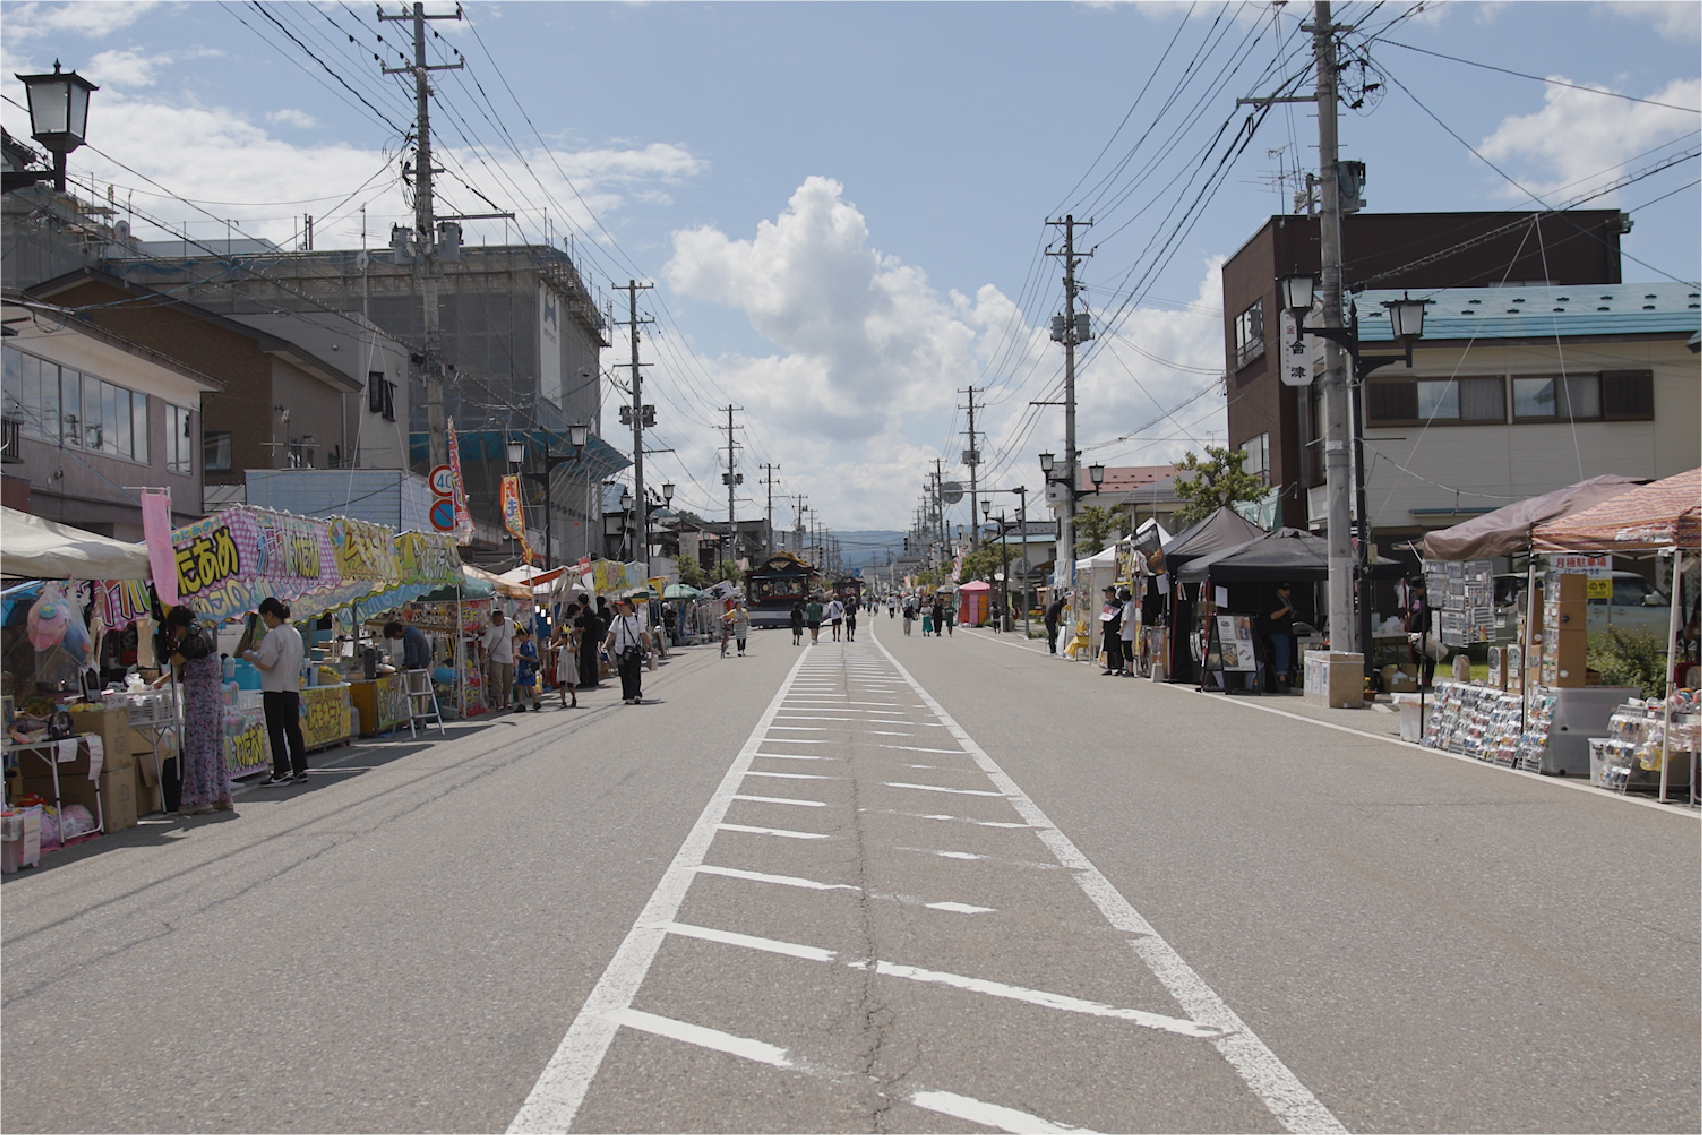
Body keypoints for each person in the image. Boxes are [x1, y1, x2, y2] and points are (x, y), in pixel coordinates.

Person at [162, 606, 232, 814]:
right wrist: (163, 680)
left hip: (200, 702)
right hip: (213, 700)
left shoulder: (193, 639)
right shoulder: (203, 635)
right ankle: (221, 796)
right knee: (213, 748)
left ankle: (201, 799)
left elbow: (176, 660)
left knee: (198, 749)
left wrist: (172, 646)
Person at [243, 597, 308, 785]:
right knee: (293, 729)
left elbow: (265, 662)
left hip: (275, 689)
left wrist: (251, 657)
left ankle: (281, 770)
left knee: (276, 730)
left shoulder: (274, 635)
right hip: (292, 687)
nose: (264, 622)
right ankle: (300, 768)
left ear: (270, 615)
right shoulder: (295, 633)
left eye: (264, 618)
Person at [604, 598, 651, 704]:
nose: (620, 608)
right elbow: (612, 634)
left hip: (634, 650)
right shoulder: (617, 619)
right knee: (624, 673)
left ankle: (636, 694)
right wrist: (605, 644)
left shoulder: (637, 619)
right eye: (619, 606)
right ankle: (627, 695)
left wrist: (649, 646)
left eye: (622, 606)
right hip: (620, 651)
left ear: (629, 606)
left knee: (634, 672)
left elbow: (643, 634)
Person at [484, 609, 515, 711]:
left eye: (500, 619)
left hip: (508, 657)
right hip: (496, 657)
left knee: (508, 679)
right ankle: (499, 703)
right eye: (496, 620)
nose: (498, 622)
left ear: (503, 618)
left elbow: (513, 637)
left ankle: (507, 702)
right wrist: (482, 656)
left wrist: (513, 652)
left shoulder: (509, 622)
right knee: (497, 679)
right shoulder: (491, 628)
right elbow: (485, 644)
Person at [1406, 579, 1434, 690]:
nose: (1417, 591)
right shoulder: (1412, 596)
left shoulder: (1429, 598)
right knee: (1415, 656)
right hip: (1414, 630)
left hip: (1427, 630)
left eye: (1418, 589)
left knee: (1429, 655)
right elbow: (1410, 610)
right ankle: (1414, 678)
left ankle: (1427, 679)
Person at [551, 616, 578, 708]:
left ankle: (573, 698)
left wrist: (569, 641)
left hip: (569, 667)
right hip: (562, 667)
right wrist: (558, 642)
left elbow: (571, 649)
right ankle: (563, 701)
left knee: (570, 685)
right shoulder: (561, 648)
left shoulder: (571, 646)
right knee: (562, 685)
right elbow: (551, 649)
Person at [513, 627, 541, 711]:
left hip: (527, 668)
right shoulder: (523, 645)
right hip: (523, 667)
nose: (519, 638)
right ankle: (534, 702)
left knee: (524, 686)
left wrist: (521, 657)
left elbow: (531, 658)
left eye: (520, 636)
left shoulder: (529, 645)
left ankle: (524, 704)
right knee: (524, 686)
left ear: (525, 635)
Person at [576, 599, 602, 690]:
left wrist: (578, 629)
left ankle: (584, 681)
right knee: (592, 661)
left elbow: (586, 627)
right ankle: (593, 680)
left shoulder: (586, 612)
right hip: (593, 639)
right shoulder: (591, 611)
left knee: (585, 661)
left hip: (587, 639)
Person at [1100, 585, 1126, 676]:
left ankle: (1119, 668)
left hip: (1115, 628)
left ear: (1112, 593)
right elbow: (1104, 616)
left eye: (1107, 592)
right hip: (1108, 628)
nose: (1106, 594)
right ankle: (1109, 667)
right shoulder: (1106, 603)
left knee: (1117, 649)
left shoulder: (1118, 603)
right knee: (1108, 649)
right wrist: (1103, 627)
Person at [1119, 588, 1139, 676]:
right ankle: (1128, 669)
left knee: (1127, 651)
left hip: (1127, 631)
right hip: (1128, 631)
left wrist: (1121, 629)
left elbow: (1125, 619)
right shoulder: (1129, 605)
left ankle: (1130, 670)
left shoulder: (1128, 606)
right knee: (1126, 650)